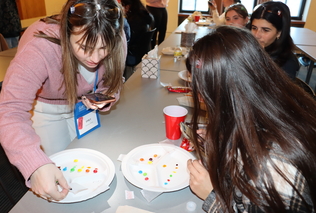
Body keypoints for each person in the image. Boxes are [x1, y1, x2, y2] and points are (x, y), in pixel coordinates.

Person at [0, 0, 126, 201]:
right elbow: (9, 109)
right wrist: (35, 164)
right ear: (67, 31)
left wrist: (106, 95)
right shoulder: (40, 44)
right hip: (47, 110)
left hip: (83, 107)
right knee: (58, 176)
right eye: (84, 46)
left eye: (104, 48)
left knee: (87, 165)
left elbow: (114, 81)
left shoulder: (115, 33)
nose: (95, 58)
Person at [186, 26, 316, 212]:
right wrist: (224, 138)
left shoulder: (275, 168)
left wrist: (211, 196)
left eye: (201, 89)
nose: (199, 97)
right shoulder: (271, 101)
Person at [249, 1, 299, 80]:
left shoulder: (287, 64)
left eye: (265, 30)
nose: (256, 35)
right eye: (254, 28)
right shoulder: (251, 48)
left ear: (279, 33)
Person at [121, 0, 154, 66]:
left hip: (133, 56)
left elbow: (128, 41)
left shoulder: (133, 21)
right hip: (143, 53)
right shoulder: (146, 15)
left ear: (127, 6)